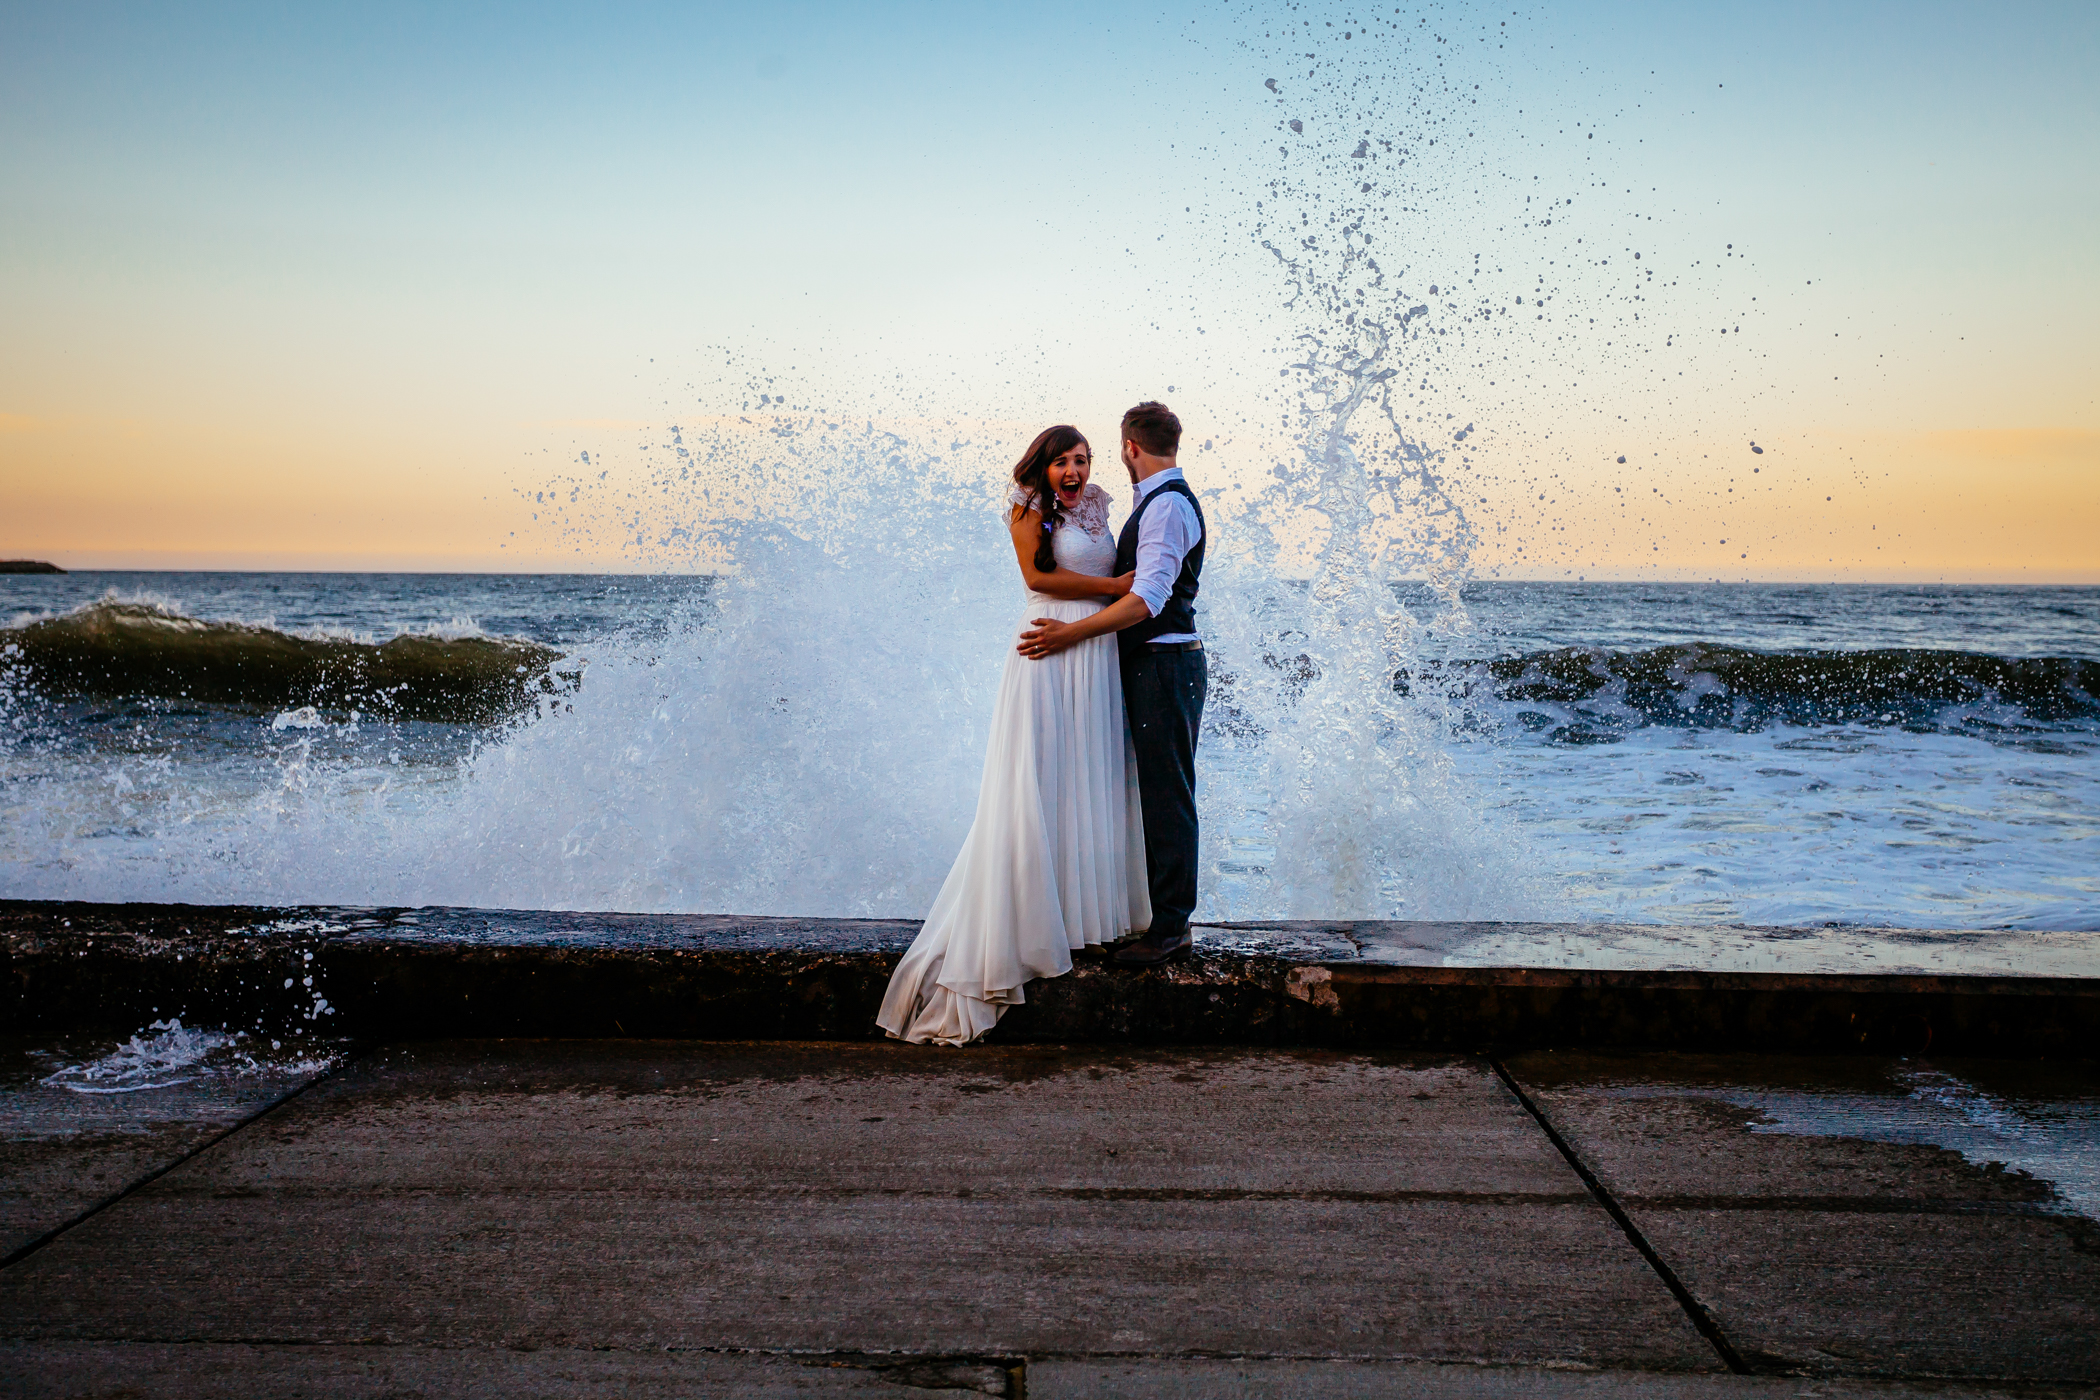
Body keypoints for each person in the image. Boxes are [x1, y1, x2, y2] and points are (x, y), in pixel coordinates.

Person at [876, 426, 1151, 1045]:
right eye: (1062, 462)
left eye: (1082, 460)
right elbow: (1037, 577)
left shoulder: (1099, 504)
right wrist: (1115, 588)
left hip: (1094, 649)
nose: (1075, 471)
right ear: (1042, 467)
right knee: (1040, 777)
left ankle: (1082, 921)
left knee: (1085, 777)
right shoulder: (1026, 510)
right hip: (1047, 645)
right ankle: (1027, 926)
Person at [1018, 401, 1206, 967]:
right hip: (1149, 662)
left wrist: (1070, 635)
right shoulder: (1150, 502)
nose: (1076, 470)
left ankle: (1170, 927)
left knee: (1167, 795)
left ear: (1128, 448)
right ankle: (1143, 915)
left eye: (1084, 458)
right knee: (1144, 790)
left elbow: (1146, 599)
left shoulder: (1166, 506)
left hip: (1165, 661)